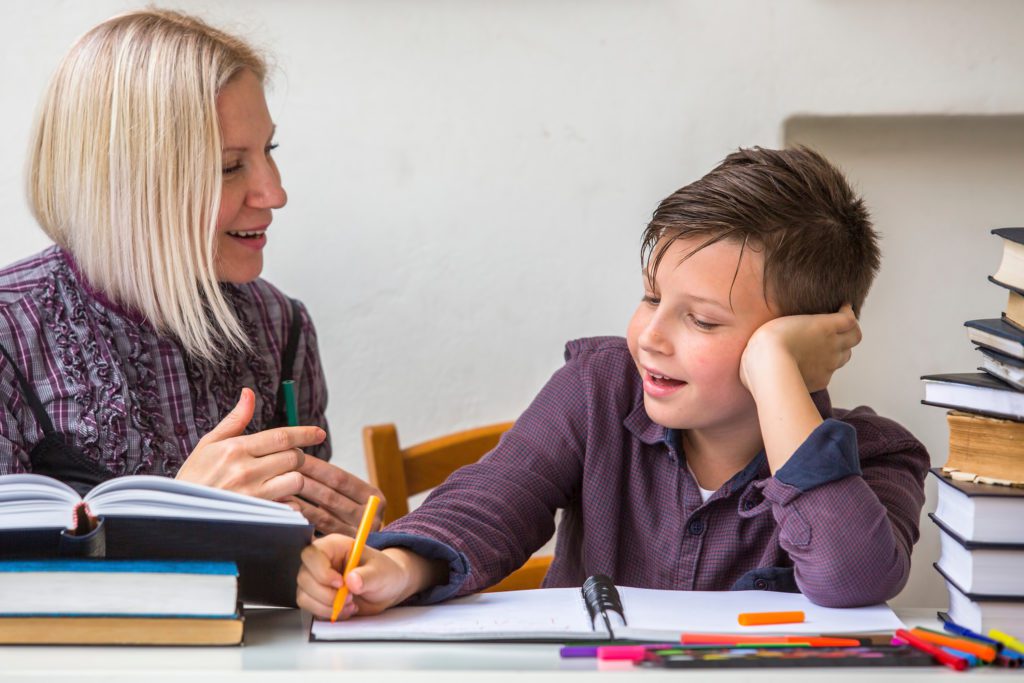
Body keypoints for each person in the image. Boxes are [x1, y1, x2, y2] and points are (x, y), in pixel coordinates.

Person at [296, 146, 930, 617]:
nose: (652, 336)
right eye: (651, 297)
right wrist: (400, 567)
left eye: (703, 321)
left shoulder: (878, 457)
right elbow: (494, 498)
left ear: (804, 343)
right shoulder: (599, 389)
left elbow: (852, 579)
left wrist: (773, 370)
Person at [0, 9, 381, 535]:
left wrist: (351, 549)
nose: (275, 192)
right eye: (229, 166)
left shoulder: (280, 327)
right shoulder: (9, 339)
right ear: (122, 183)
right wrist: (179, 516)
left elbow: (294, 581)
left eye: (269, 151)